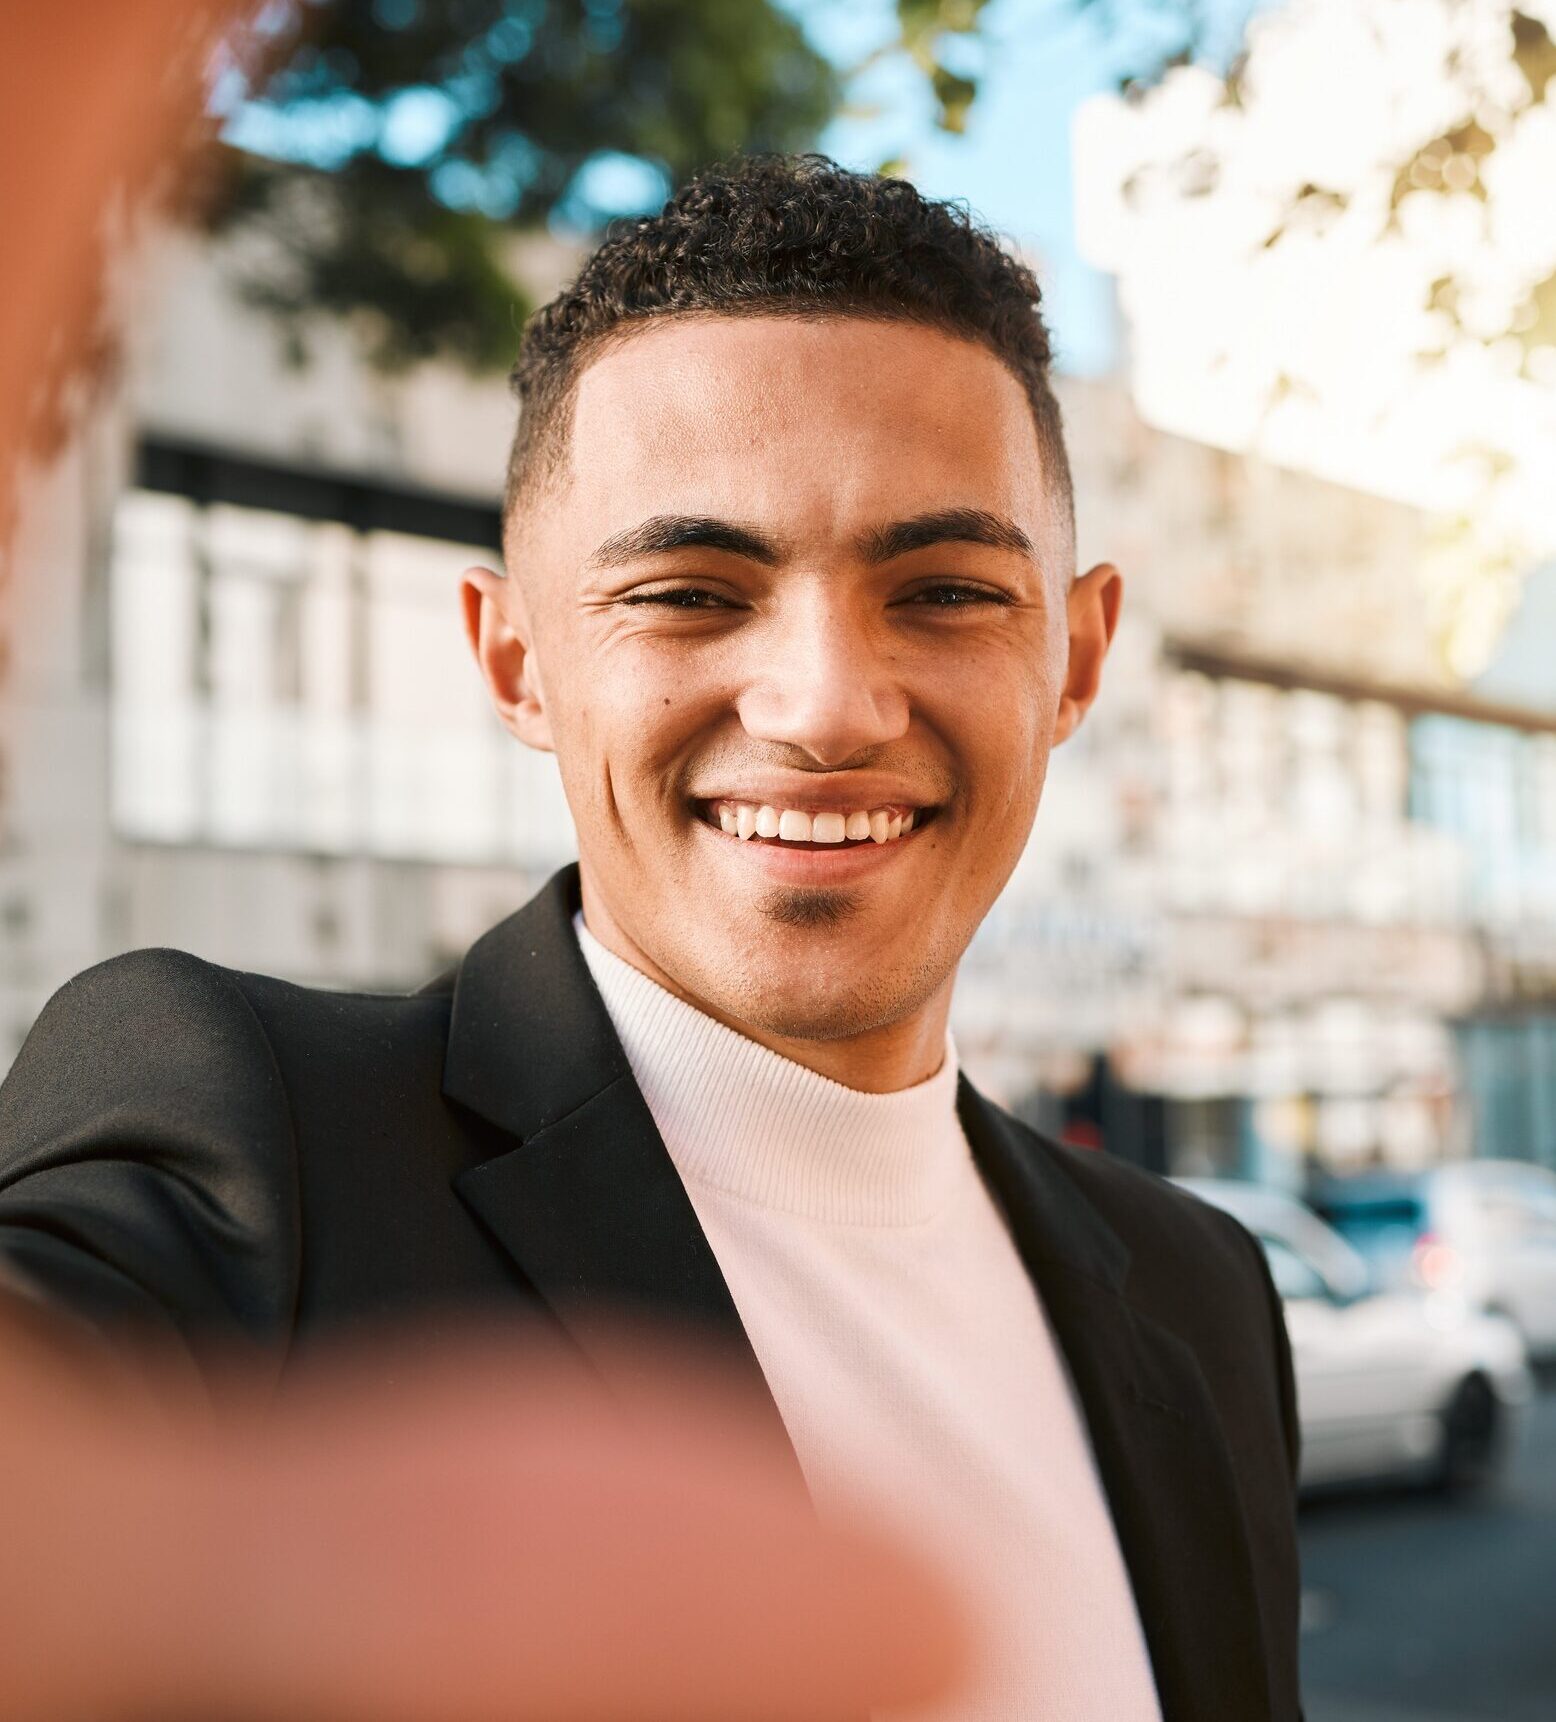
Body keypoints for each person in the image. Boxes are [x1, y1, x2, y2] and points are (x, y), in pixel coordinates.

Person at [0, 154, 1302, 1720]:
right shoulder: (257, 1142)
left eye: (946, 589)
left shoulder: (1206, 1287)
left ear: (1075, 658)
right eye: (689, 592)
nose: (825, 705)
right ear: (518, 662)